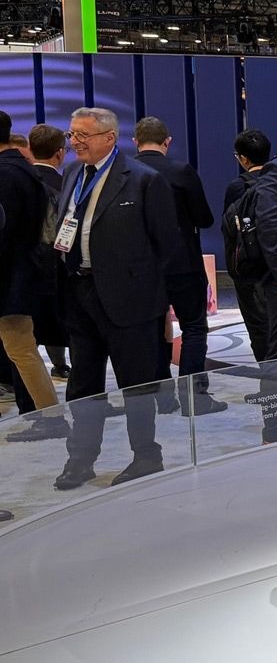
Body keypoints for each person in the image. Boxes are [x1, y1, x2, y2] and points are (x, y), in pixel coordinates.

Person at [52, 106, 179, 490]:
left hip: (130, 301)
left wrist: (153, 300)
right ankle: (81, 460)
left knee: (136, 385)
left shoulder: (144, 181)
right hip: (81, 293)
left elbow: (167, 246)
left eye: (83, 135)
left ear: (110, 138)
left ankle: (146, 456)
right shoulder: (73, 173)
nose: (75, 142)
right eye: (72, 134)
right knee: (83, 386)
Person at [133, 116, 226, 413]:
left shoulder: (125, 174)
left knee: (152, 331)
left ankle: (162, 399)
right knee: (195, 328)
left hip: (143, 267)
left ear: (136, 141)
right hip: (183, 263)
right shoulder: (180, 171)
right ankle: (194, 398)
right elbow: (204, 218)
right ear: (167, 141)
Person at [224, 128, 277, 361]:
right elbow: (270, 224)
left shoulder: (237, 187)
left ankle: (269, 389)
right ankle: (274, 391)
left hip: (256, 268)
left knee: (264, 330)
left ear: (242, 158)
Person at [0, 111, 57, 418]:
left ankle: (50, 416)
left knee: (21, 349)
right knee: (21, 349)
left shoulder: (6, 174)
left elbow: (5, 233)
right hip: (22, 273)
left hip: (11, 279)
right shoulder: (22, 168)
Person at [26, 124, 70, 379]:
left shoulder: (18, 180)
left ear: (30, 149)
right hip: (58, 265)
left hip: (24, 266)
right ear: (60, 153)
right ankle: (62, 365)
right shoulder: (69, 186)